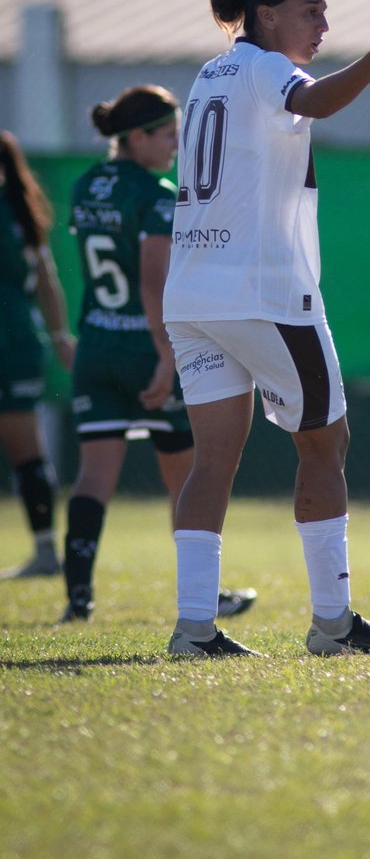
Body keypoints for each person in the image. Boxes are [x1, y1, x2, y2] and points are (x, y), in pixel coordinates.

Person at [162, 0, 370, 658]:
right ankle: (333, 624)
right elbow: (317, 102)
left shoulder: (210, 73)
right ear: (266, 14)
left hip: (193, 294)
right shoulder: (265, 67)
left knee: (213, 459)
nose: (323, 25)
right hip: (262, 293)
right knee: (326, 444)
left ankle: (193, 629)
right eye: (312, 10)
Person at [61, 86, 256, 623]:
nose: (176, 145)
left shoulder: (85, 184)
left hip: (96, 346)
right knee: (187, 475)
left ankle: (77, 597)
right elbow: (153, 282)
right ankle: (203, 594)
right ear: (137, 137)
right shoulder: (158, 193)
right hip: (145, 352)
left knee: (93, 475)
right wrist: (167, 357)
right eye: (168, 134)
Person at [0, 132, 75, 579]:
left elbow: (46, 279)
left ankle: (46, 552)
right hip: (21, 341)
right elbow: (47, 279)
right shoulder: (20, 209)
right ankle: (45, 550)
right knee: (26, 450)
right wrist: (60, 336)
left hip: (12, 343)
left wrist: (61, 335)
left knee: (24, 448)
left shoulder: (15, 211)